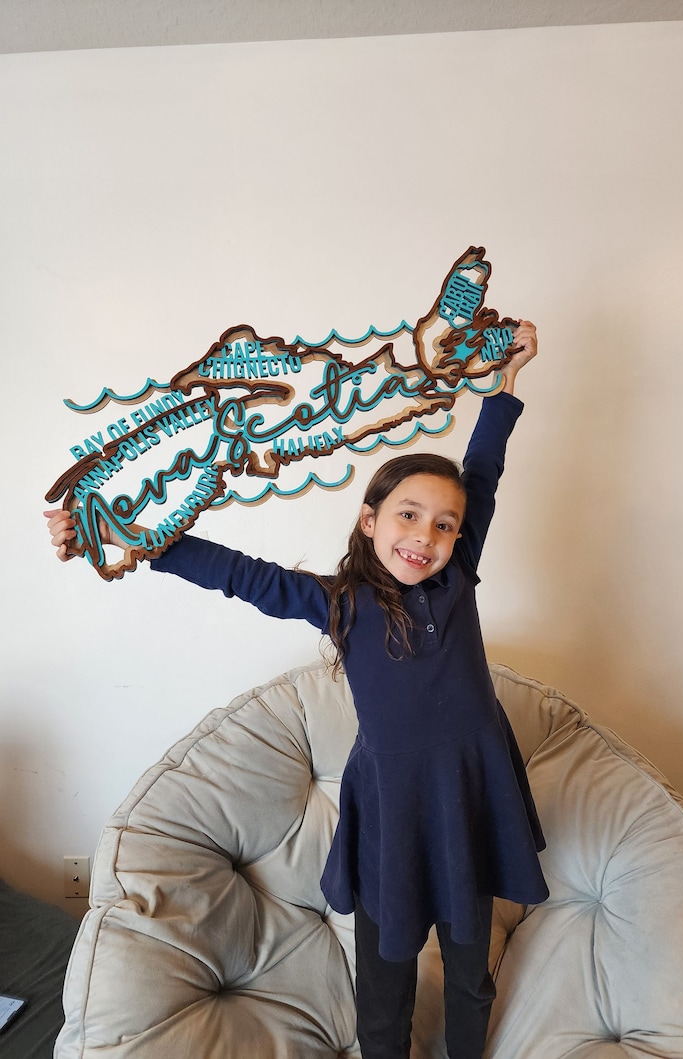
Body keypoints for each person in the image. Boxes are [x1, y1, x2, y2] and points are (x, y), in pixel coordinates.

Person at [45, 321, 548, 1059]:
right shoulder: (343, 602)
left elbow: (482, 472)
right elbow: (240, 574)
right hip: (392, 813)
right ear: (370, 521)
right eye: (408, 515)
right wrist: (116, 533)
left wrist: (506, 382)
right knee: (385, 980)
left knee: (471, 972)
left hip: (469, 798)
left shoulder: (458, 574)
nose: (426, 536)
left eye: (444, 525)